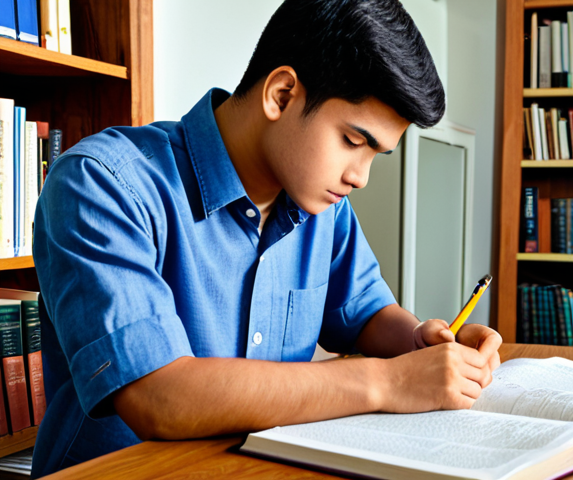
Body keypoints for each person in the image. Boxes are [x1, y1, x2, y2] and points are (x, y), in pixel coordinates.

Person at [31, 0, 502, 476]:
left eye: (376, 153)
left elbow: (365, 314)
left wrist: (421, 342)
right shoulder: (102, 184)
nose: (360, 177)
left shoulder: (321, 203)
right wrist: (387, 382)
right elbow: (157, 396)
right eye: (354, 142)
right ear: (280, 94)